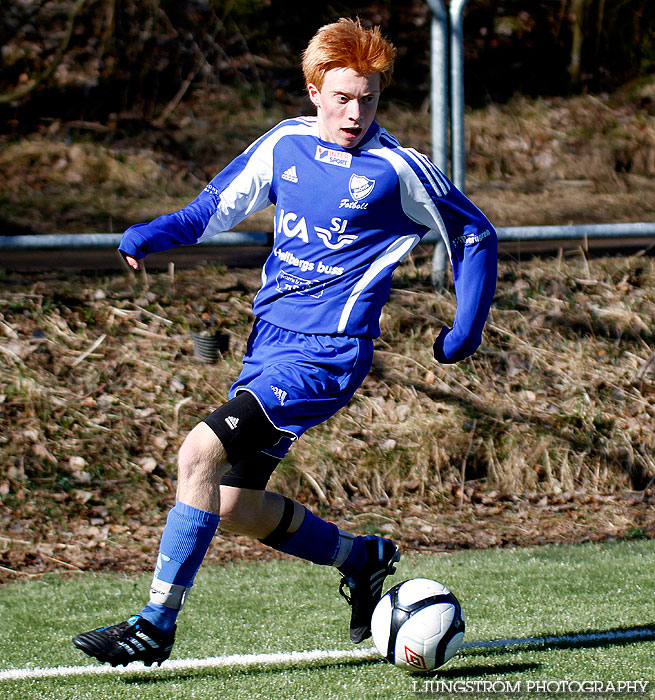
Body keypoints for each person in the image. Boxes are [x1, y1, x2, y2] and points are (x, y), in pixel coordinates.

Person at [72, 17, 497, 667]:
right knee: (238, 505)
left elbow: (473, 235)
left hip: (326, 355)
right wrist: (151, 234)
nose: (356, 112)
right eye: (343, 97)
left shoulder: (397, 170)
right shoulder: (283, 146)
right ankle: (362, 558)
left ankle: (155, 622)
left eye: (369, 98)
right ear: (313, 91)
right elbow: (208, 210)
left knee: (197, 454)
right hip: (267, 346)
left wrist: (464, 328)